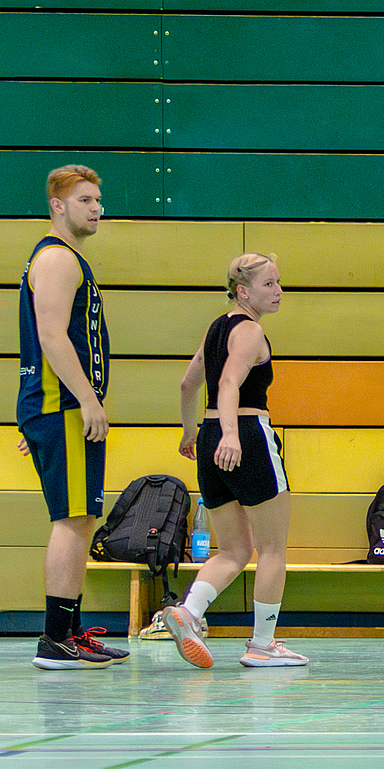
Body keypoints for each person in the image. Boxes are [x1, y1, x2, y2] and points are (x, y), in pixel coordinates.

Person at [158, 254, 306, 668]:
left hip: (208, 441)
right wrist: (229, 434)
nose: (277, 291)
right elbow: (227, 382)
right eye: (268, 284)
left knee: (234, 550)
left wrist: (192, 432)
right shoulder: (250, 331)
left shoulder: (215, 329)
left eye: (279, 283)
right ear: (243, 291)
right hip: (245, 437)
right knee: (273, 547)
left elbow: (189, 383)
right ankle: (262, 644)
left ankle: (188, 612)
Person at [19, 165, 126, 670]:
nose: (97, 208)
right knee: (73, 521)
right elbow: (52, 337)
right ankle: (56, 638)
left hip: (52, 410)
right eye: (85, 199)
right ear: (58, 205)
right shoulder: (59, 258)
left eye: (98, 200)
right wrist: (86, 400)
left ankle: (70, 634)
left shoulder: (61, 258)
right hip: (62, 408)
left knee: (80, 520)